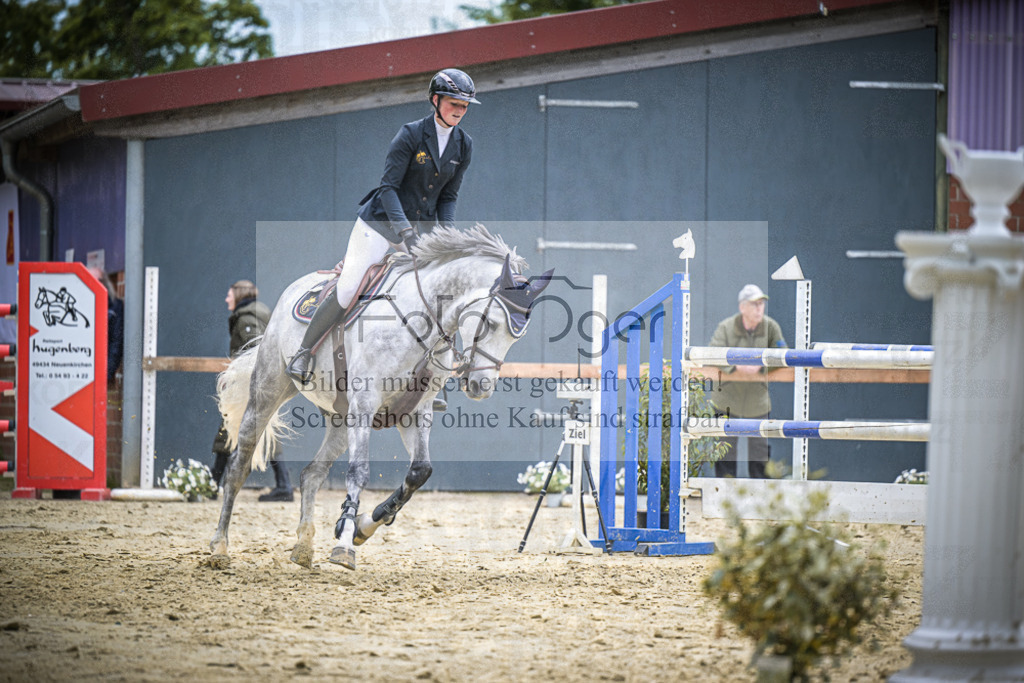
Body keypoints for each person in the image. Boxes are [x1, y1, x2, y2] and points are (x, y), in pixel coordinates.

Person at [285, 68, 479, 402]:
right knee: (349, 287)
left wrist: (447, 238)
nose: (460, 110)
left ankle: (437, 376)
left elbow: (448, 197)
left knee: (441, 292)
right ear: (435, 100)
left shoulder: (464, 145)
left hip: (421, 230)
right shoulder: (410, 135)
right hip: (379, 223)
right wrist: (404, 232)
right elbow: (388, 189)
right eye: (454, 103)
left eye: (465, 105)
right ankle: (304, 352)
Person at [211, 279, 294, 502]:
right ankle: (283, 485)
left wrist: (237, 379)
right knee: (247, 429)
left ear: (239, 295)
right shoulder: (255, 313)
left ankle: (212, 484)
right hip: (256, 384)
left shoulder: (247, 318)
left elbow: (254, 351)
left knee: (232, 428)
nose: (226, 299)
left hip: (250, 385)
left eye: (229, 295)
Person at [708, 284, 787, 479]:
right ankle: (724, 489)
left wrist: (761, 367)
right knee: (724, 448)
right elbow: (712, 353)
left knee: (759, 451)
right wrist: (736, 367)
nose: (759, 308)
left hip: (757, 399)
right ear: (742, 307)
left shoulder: (771, 327)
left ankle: (760, 491)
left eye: (761, 304)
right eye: (754, 304)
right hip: (726, 398)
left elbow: (783, 354)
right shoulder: (726, 327)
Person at [86, 266, 124, 382]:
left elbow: (116, 343)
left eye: (98, 280)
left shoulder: (115, 306)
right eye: (89, 280)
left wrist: (105, 374)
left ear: (105, 283)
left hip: (102, 372)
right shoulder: (78, 306)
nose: (94, 284)